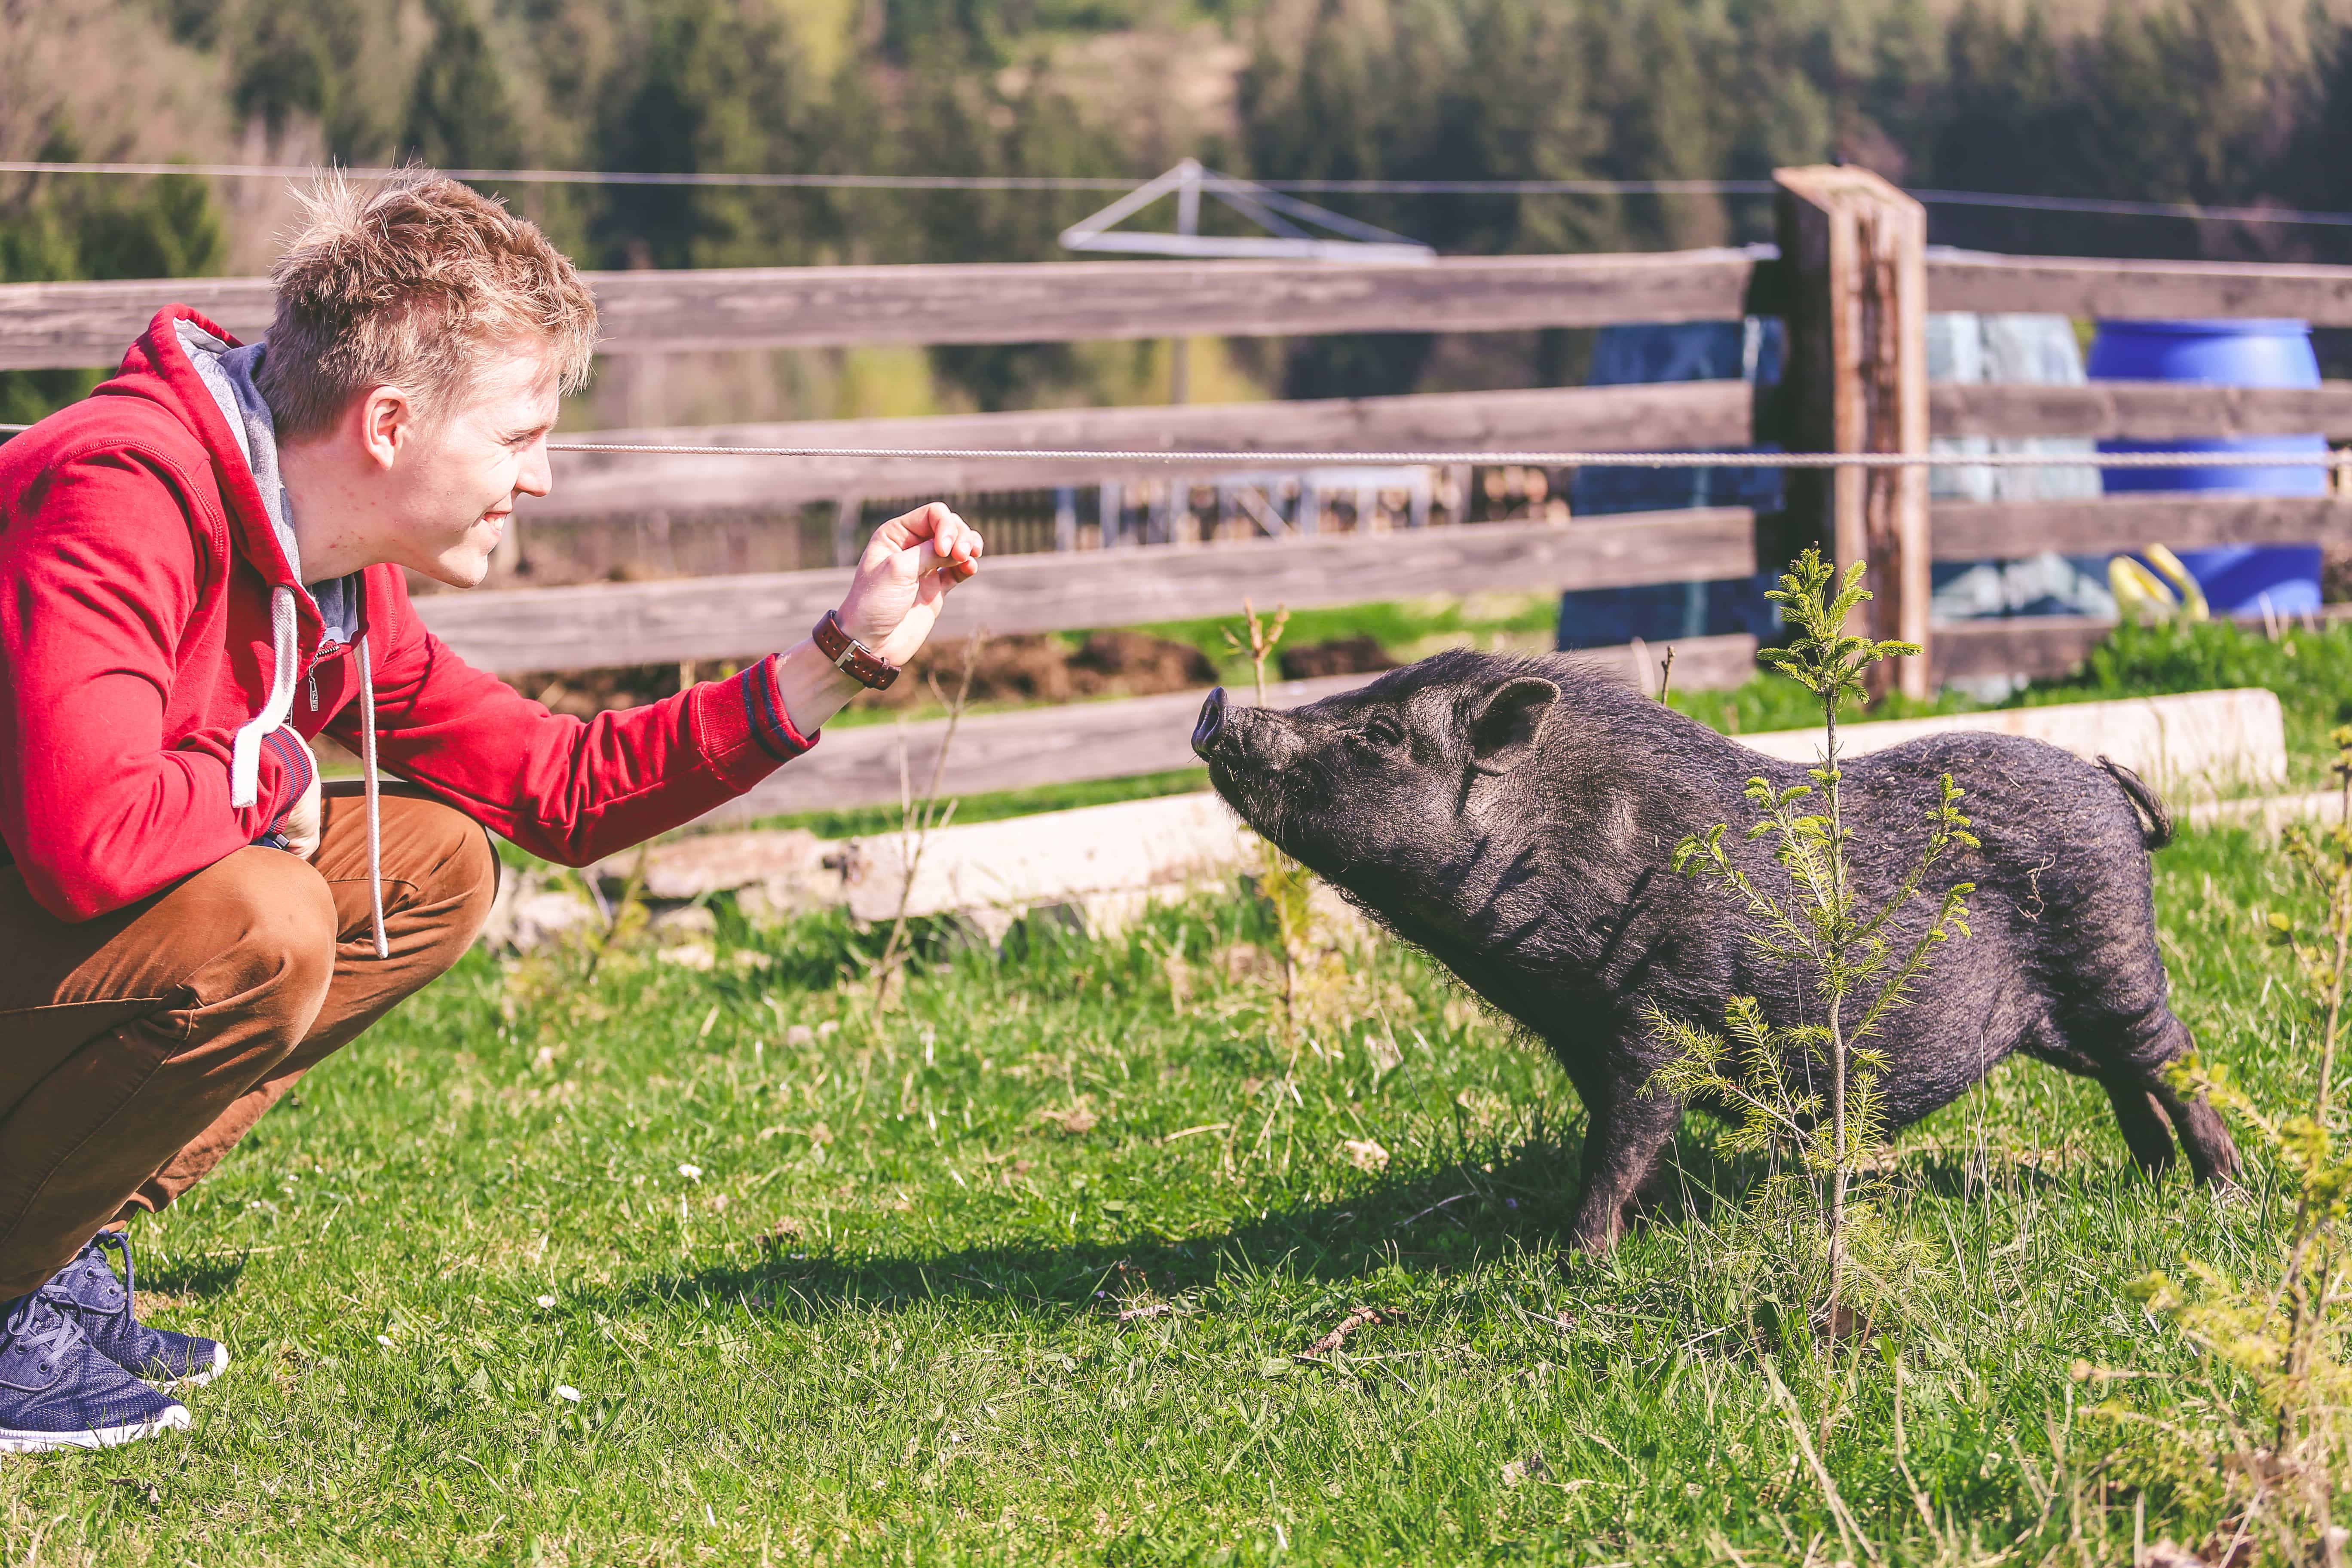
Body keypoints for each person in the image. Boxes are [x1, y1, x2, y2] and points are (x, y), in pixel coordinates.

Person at [0, 170, 983, 1451]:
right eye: (518, 437)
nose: (546, 479)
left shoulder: (322, 564)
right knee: (269, 919)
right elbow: (88, 835)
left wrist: (833, 660)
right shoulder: (116, 488)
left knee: (430, 865)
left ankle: (61, 1236)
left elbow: (554, 785)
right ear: (392, 425)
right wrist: (283, 777)